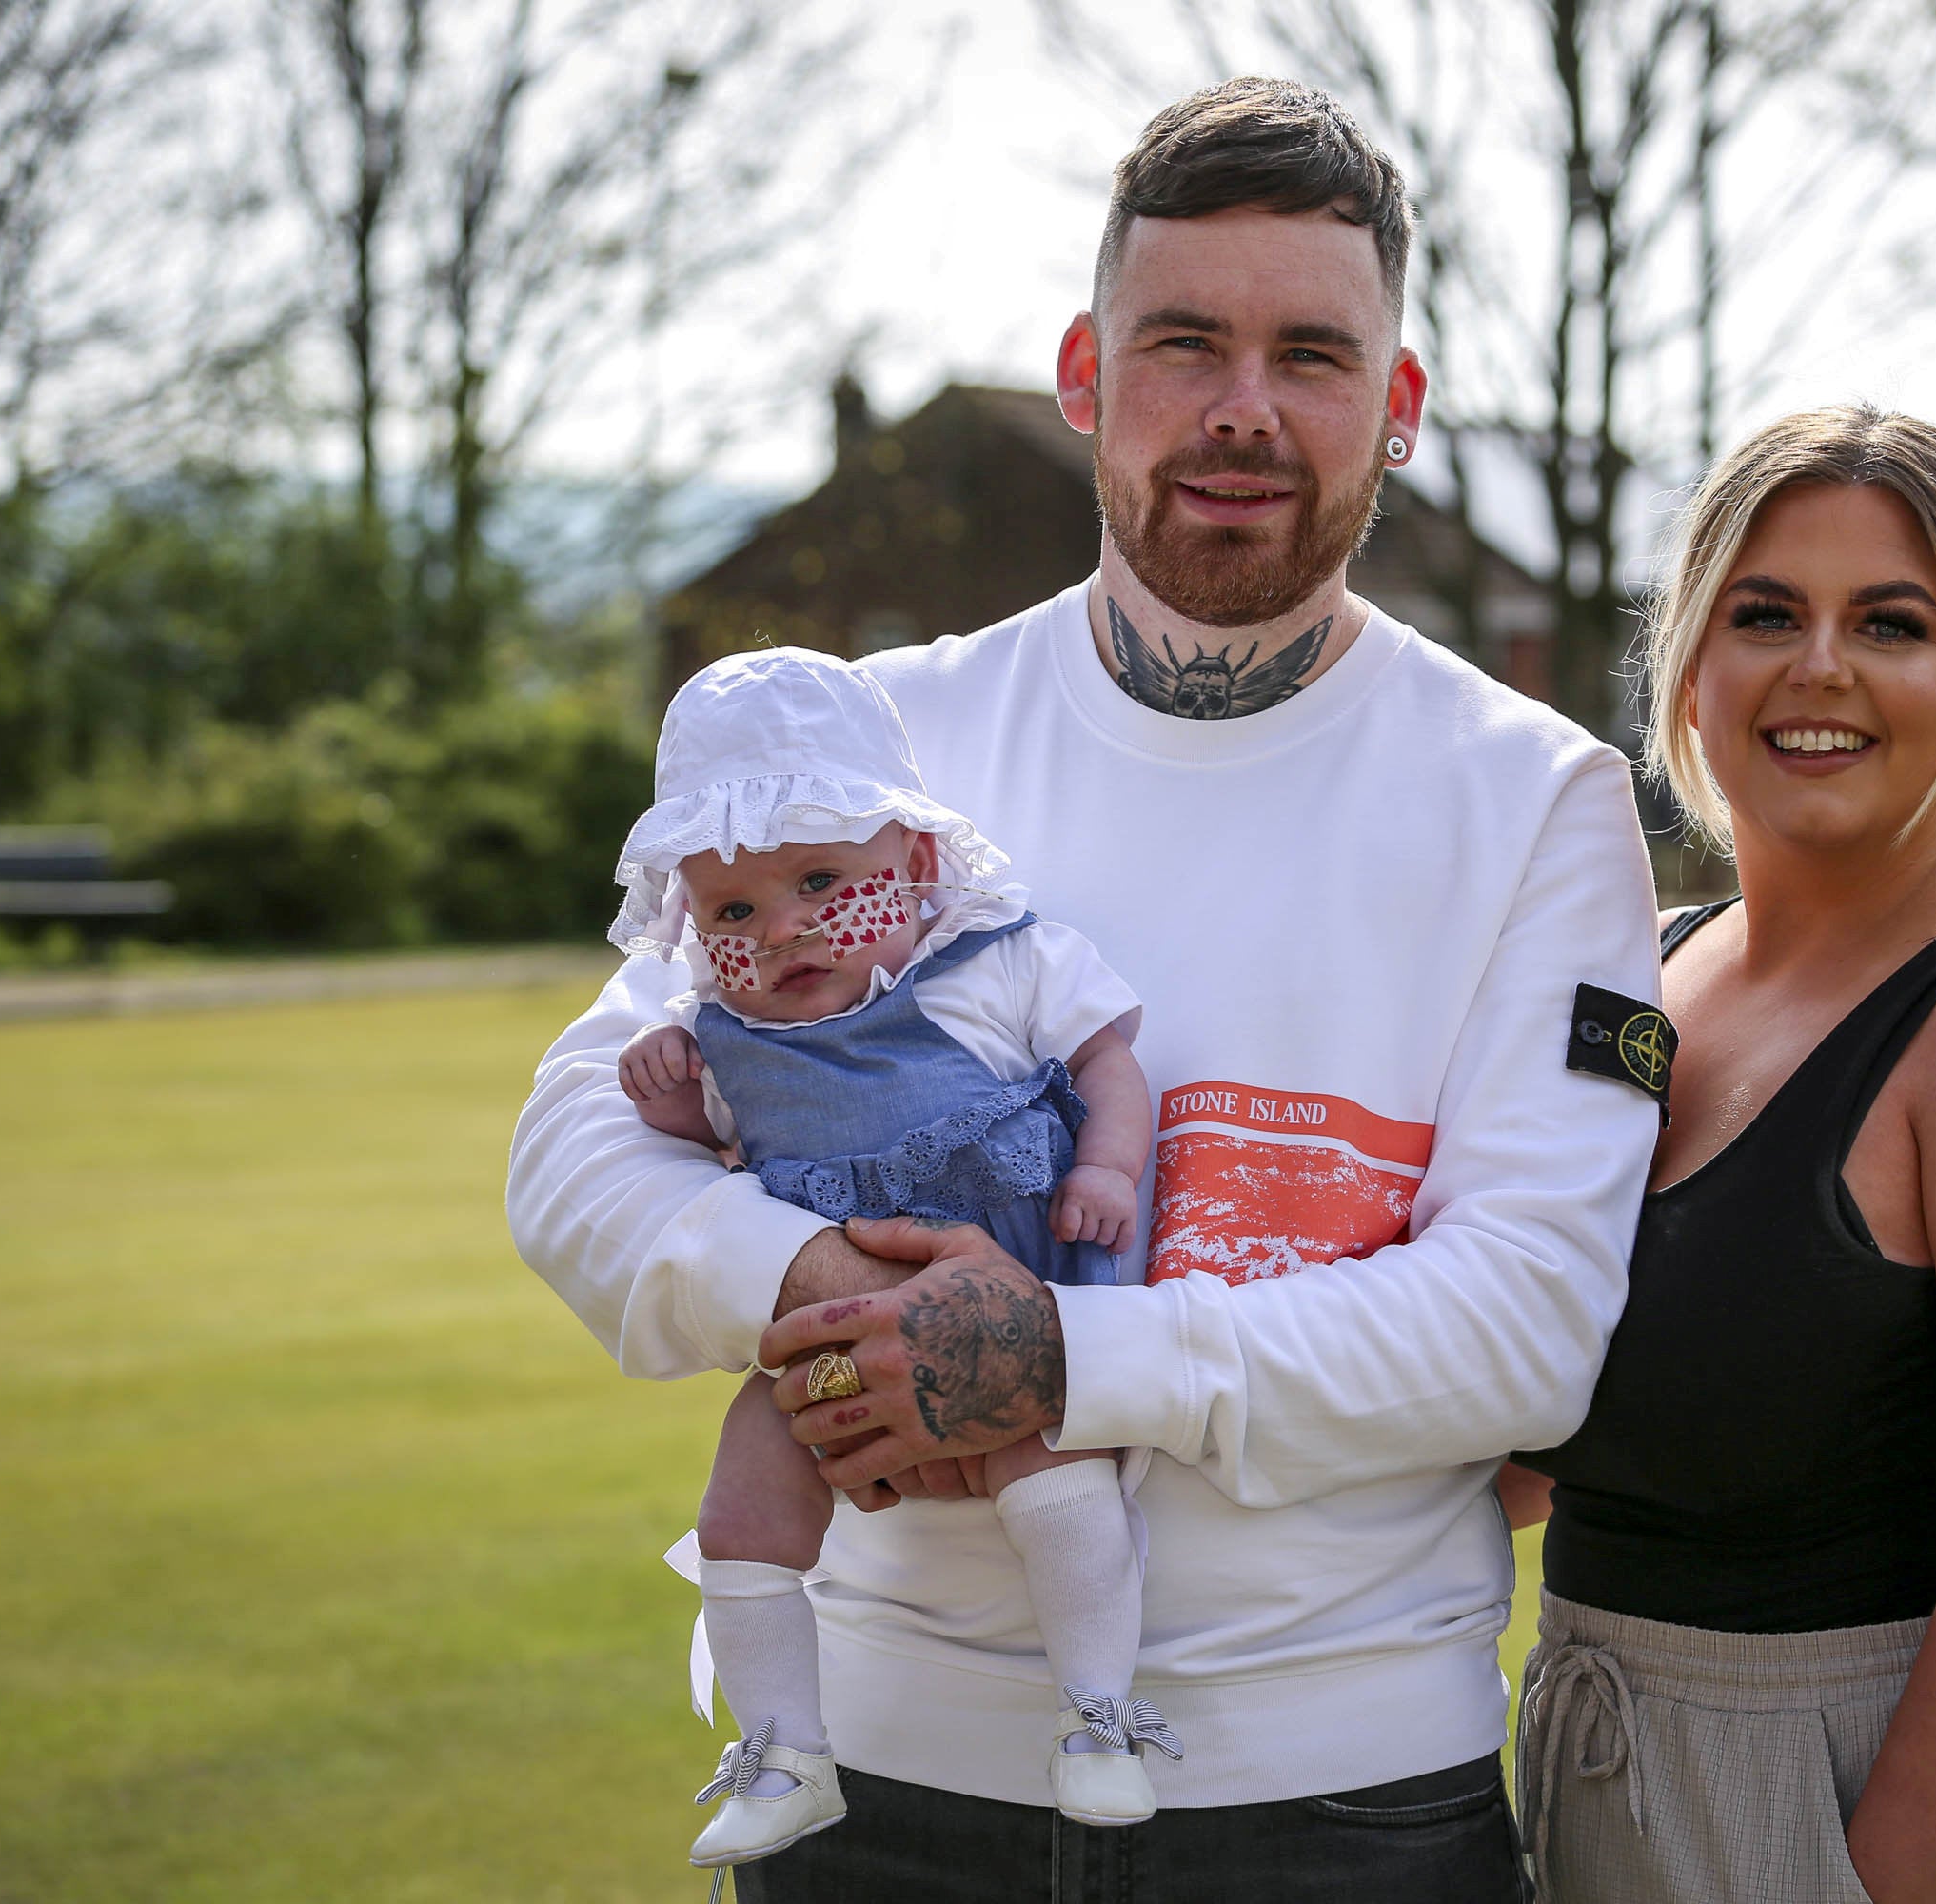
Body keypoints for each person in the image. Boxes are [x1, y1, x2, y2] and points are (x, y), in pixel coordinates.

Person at [506, 77, 1664, 1902]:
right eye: (1183, 341)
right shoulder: (880, 732)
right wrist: (818, 1286)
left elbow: (1525, 1323)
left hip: (1345, 1806)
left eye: (1313, 354)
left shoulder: (1538, 799)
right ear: (1084, 372)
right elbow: (579, 1151)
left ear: (1403, 405)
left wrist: (1059, 1357)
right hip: (874, 1802)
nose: (1242, 409)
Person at [1502, 406, 1936, 1903]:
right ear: (1690, 665)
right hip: (1605, 1765)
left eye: (1891, 623)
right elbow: (1532, 1374)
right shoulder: (1639, 983)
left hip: (1886, 1809)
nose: (1820, 666)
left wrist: (1865, 1880)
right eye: (1766, 614)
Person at [607, 648, 1168, 1864]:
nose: (786, 927)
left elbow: (1111, 1063)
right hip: (827, 1339)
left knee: (1054, 1475)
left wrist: (1106, 1172)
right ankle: (784, 1749)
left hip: (1016, 1301)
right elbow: (692, 1162)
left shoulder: (996, 960)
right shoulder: (721, 1035)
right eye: (736, 911)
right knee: (740, 1508)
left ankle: (1099, 1714)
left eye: (821, 879)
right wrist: (661, 1096)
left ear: (913, 862)